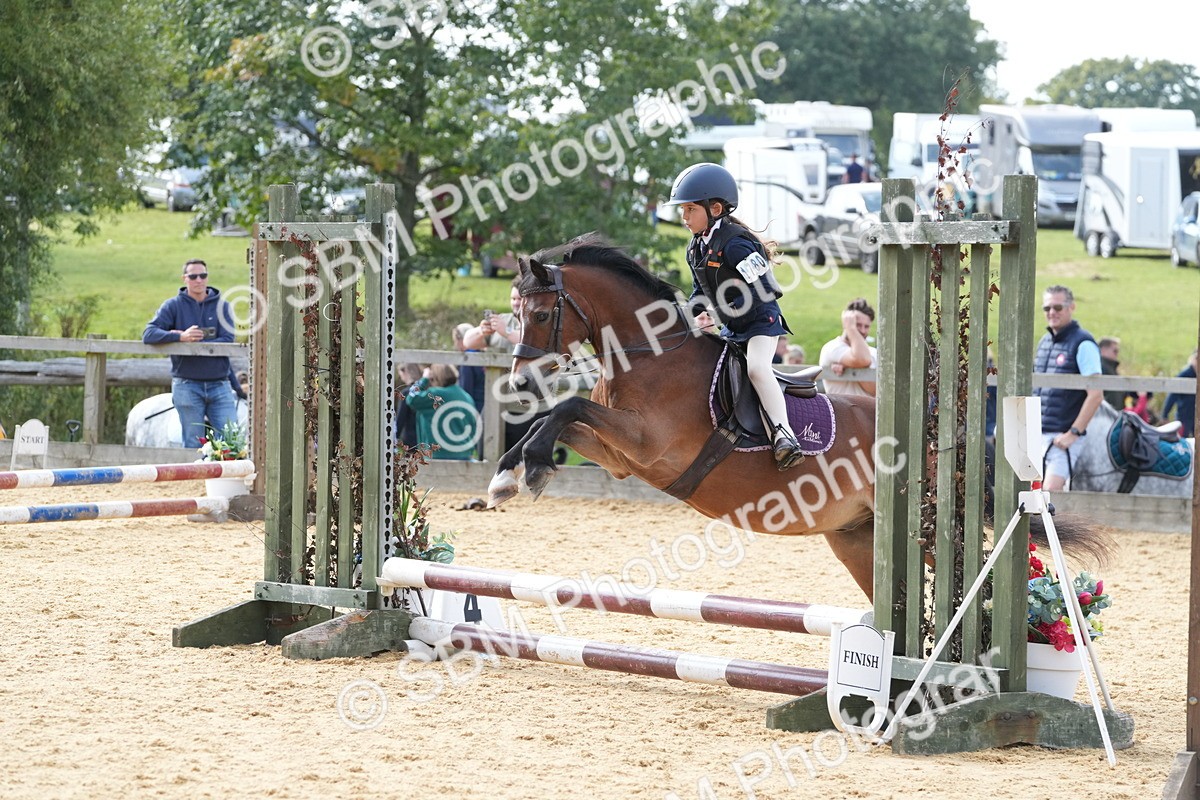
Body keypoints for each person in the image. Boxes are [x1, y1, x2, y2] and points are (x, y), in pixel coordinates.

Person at [663, 162, 802, 470]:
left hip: (760, 324)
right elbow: (700, 291)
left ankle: (784, 435)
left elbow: (766, 288)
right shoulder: (695, 248)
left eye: (689, 210)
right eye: (682, 211)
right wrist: (689, 312)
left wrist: (720, 308)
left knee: (756, 370)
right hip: (732, 327)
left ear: (714, 208)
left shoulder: (736, 243)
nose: (683, 218)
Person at [142, 258, 239, 447]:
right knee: (192, 443)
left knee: (231, 441)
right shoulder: (172, 306)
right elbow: (149, 334)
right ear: (184, 278)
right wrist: (180, 337)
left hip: (219, 383)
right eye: (193, 276)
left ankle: (225, 477)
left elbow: (228, 340)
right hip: (187, 384)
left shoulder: (223, 306)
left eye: (203, 275)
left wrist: (199, 343)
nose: (199, 280)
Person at [1034, 285, 1102, 492]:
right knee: (1029, 499)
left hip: (1062, 438)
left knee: (1050, 496)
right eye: (1047, 308)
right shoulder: (1044, 343)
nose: (1052, 312)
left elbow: (1096, 395)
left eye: (1057, 307)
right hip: (1038, 436)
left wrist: (1073, 433)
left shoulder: (1083, 344)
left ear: (1071, 307)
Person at [404, 363, 479, 460]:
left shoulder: (436, 394)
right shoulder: (466, 396)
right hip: (464, 455)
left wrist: (423, 380)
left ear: (434, 378)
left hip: (438, 456)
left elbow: (411, 398)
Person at [818, 298, 878, 398]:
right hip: (841, 412)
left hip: (870, 413)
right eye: (858, 325)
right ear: (847, 322)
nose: (863, 331)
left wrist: (850, 366)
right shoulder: (832, 348)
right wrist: (851, 328)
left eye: (866, 326)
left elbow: (876, 391)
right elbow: (862, 359)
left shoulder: (874, 353)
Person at [465, 278, 522, 354]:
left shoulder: (539, 323)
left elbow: (532, 343)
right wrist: (482, 330)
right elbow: (467, 343)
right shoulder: (501, 320)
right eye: (513, 299)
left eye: (520, 299)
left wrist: (507, 331)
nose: (516, 303)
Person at [1162, 350, 1197, 437]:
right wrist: (1165, 413)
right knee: (1181, 439)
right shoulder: (1184, 375)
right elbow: (1172, 395)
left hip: (1196, 416)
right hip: (1184, 415)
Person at [395, 362, 424, 448]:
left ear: (406, 372)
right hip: (425, 440)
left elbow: (400, 419)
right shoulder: (428, 391)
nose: (401, 378)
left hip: (410, 441)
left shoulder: (406, 393)